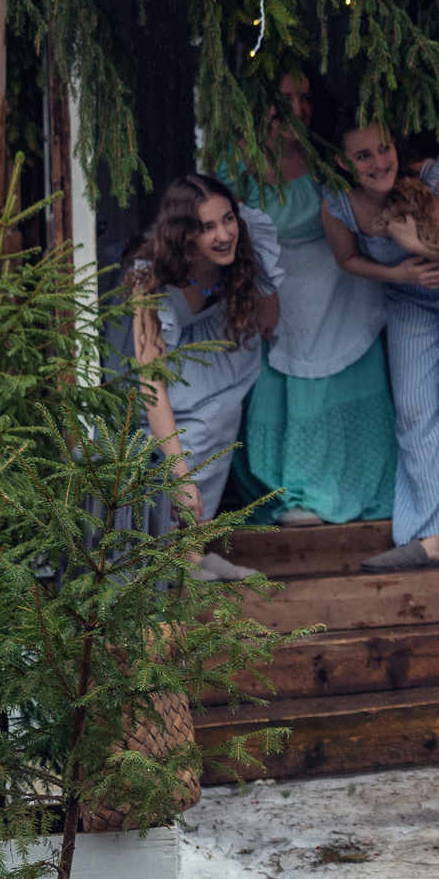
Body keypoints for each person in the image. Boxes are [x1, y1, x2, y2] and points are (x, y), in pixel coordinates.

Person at [319, 118, 439, 573]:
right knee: (415, 407)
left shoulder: (434, 177)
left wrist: (413, 242)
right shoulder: (339, 203)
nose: (378, 162)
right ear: (344, 163)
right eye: (363, 156)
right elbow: (347, 259)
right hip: (409, 294)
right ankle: (430, 535)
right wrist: (398, 273)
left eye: (383, 148)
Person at [238, 72, 397, 528]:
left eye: (305, 98)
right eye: (284, 98)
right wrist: (260, 292)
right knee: (278, 395)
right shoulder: (238, 163)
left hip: (338, 280)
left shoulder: (329, 158)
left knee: (341, 386)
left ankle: (344, 488)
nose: (297, 109)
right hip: (273, 284)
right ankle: (288, 492)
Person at [130, 173, 285, 583]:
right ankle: (172, 556)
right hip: (171, 382)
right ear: (184, 235)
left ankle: (196, 549)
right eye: (207, 226)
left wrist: (258, 272)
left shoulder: (240, 254)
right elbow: (151, 384)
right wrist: (180, 477)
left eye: (228, 219)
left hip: (219, 367)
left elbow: (269, 321)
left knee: (219, 424)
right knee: (184, 449)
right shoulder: (151, 279)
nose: (224, 234)